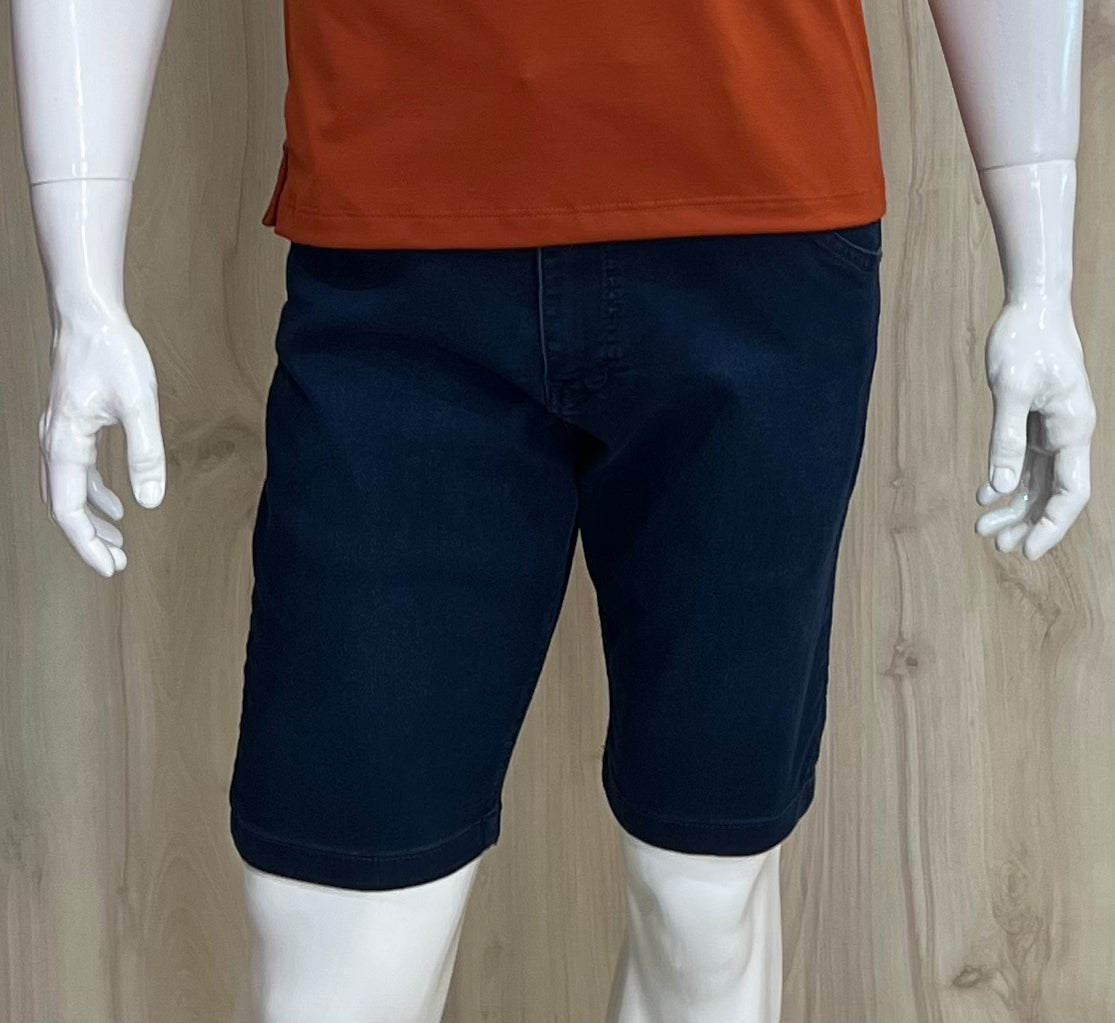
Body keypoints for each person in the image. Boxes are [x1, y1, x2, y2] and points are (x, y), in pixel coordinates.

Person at [11, 1, 1096, 1020]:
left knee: (704, 901)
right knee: (336, 918)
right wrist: (82, 292)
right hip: (397, 271)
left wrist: (1040, 275)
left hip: (758, 247)